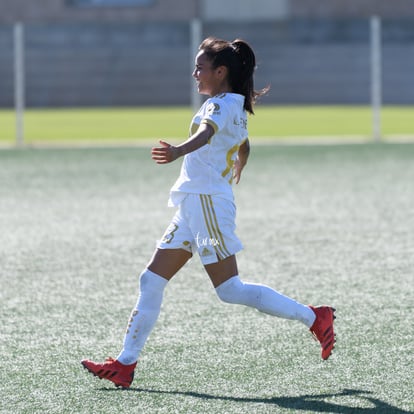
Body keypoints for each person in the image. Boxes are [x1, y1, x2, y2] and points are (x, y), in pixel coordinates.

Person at [81, 37, 336, 389]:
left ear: (221, 72)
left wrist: (178, 151)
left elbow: (207, 132)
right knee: (151, 280)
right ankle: (125, 364)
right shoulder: (232, 104)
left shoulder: (219, 107)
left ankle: (314, 317)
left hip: (206, 202)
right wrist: (241, 157)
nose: (195, 72)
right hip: (193, 203)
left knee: (230, 289)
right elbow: (237, 139)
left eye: (201, 67)